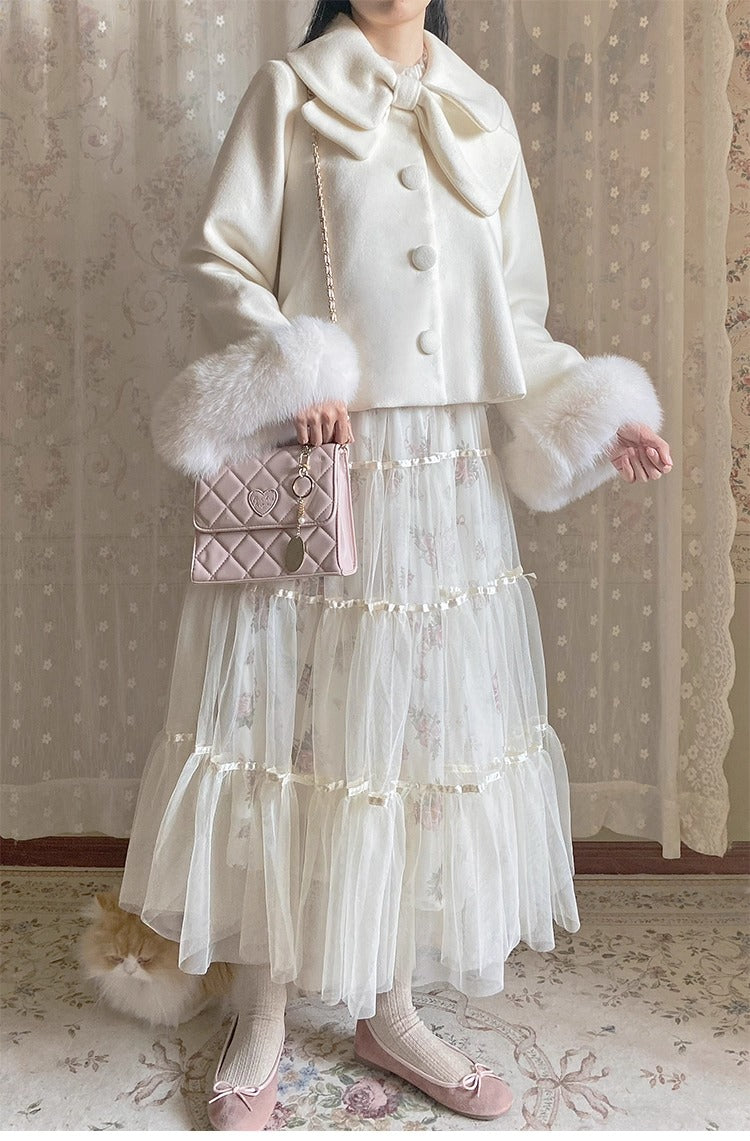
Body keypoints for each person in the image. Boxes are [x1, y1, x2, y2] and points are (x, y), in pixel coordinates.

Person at [119, 0, 674, 1130]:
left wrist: (596, 414)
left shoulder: (481, 111)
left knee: (417, 734)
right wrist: (296, 367)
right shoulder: (291, 92)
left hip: (449, 480)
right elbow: (221, 260)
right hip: (325, 460)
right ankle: (263, 1011)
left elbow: (520, 317)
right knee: (292, 731)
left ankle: (391, 1007)